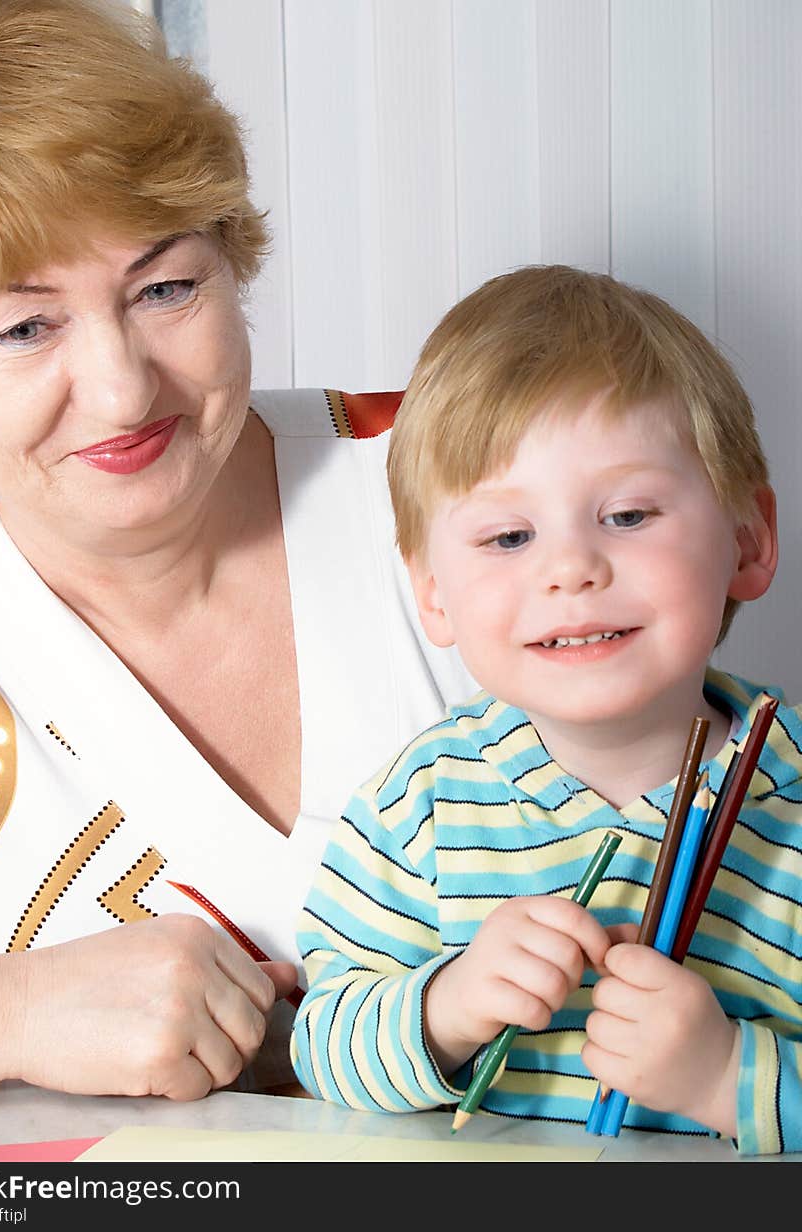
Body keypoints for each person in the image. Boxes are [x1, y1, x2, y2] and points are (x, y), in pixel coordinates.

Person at [0, 0, 475, 1100]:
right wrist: (8, 1009)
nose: (124, 387)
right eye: (26, 326)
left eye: (165, 287)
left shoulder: (473, 474)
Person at [289, 264, 802, 1156]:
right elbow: (322, 1047)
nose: (571, 569)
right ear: (433, 595)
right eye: (509, 537)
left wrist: (724, 1076)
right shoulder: (422, 804)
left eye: (630, 514)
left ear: (749, 543)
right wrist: (445, 1008)